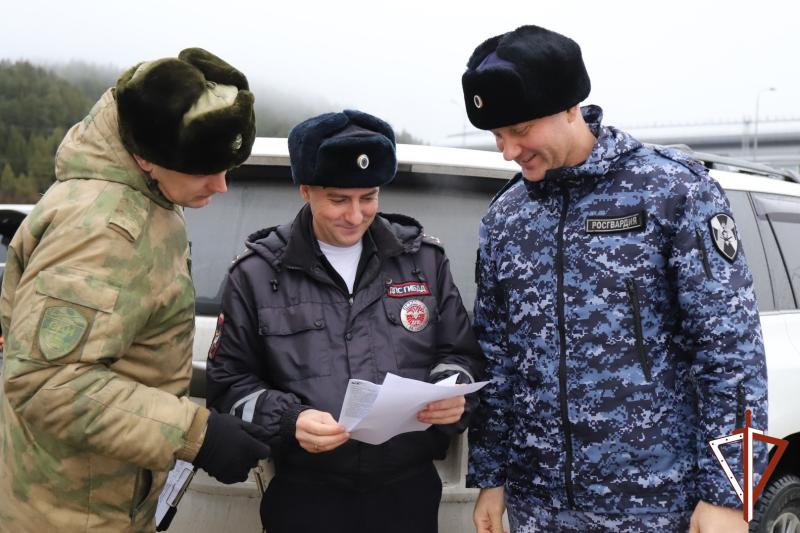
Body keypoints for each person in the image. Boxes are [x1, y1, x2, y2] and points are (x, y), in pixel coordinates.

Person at [462, 25, 767, 533]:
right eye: (497, 136)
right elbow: (497, 359)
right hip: (539, 507)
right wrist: (490, 478)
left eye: (519, 131)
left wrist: (731, 494)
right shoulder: (505, 218)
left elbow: (732, 355)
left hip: (657, 506)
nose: (508, 151)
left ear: (569, 107)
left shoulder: (672, 192)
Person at [0, 48, 271, 532]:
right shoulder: (101, 229)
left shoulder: (150, 192)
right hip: (68, 512)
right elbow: (45, 382)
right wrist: (196, 434)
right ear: (147, 155)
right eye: (206, 168)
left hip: (99, 492)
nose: (222, 185)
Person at [206, 109, 485, 533]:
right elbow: (228, 386)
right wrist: (288, 420)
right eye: (338, 199)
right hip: (305, 496)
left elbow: (461, 354)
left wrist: (453, 390)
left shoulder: (423, 261)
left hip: (407, 494)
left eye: (368, 197)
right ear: (305, 191)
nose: (355, 215)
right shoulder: (257, 273)